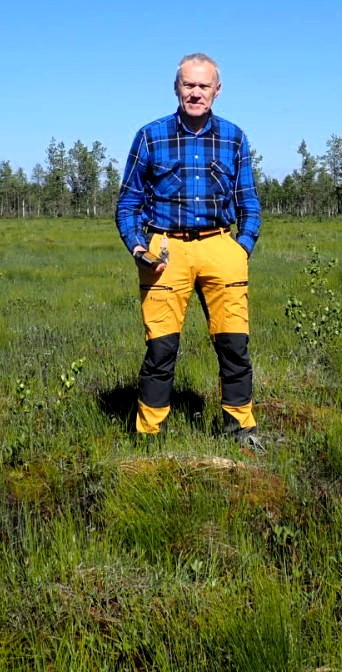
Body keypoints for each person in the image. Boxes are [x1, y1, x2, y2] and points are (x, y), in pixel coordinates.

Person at [115, 53, 263, 450]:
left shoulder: (233, 137)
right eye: (188, 85)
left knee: (234, 344)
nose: (195, 93)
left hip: (221, 244)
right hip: (164, 249)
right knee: (161, 348)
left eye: (203, 85)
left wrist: (241, 248)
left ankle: (241, 429)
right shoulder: (151, 136)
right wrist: (138, 247)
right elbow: (127, 203)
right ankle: (149, 435)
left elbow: (249, 200)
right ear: (176, 87)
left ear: (217, 90)